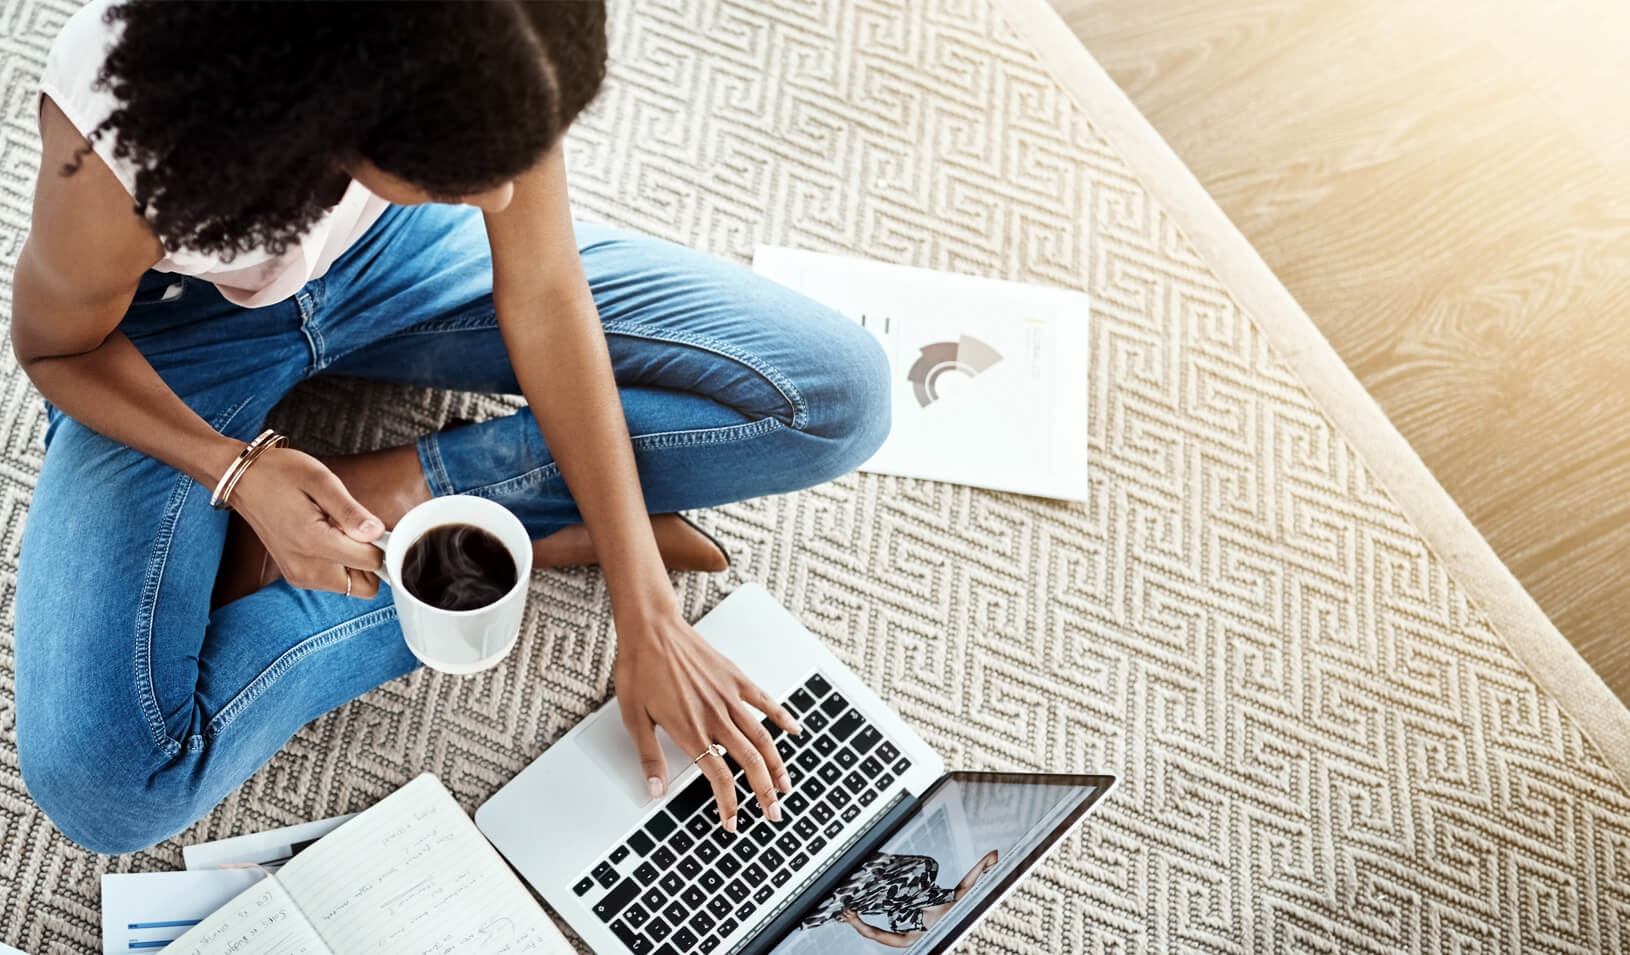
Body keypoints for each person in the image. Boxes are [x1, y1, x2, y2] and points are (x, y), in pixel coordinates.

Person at [9, 0, 890, 855]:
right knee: (112, 784)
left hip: (393, 254)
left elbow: (542, 288)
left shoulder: (496, 34)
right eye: (469, 169)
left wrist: (646, 604)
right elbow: (55, 350)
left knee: (836, 397)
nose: (503, 193)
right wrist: (234, 471)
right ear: (332, 112)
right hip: (176, 339)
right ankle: (498, 541)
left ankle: (420, 500)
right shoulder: (122, 128)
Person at [801, 849, 1001, 947]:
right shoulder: (960, 900)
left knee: (830, 909)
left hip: (877, 895)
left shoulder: (913, 939)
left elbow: (874, 934)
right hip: (909, 873)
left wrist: (855, 921)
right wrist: (994, 871)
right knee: (925, 867)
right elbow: (991, 856)